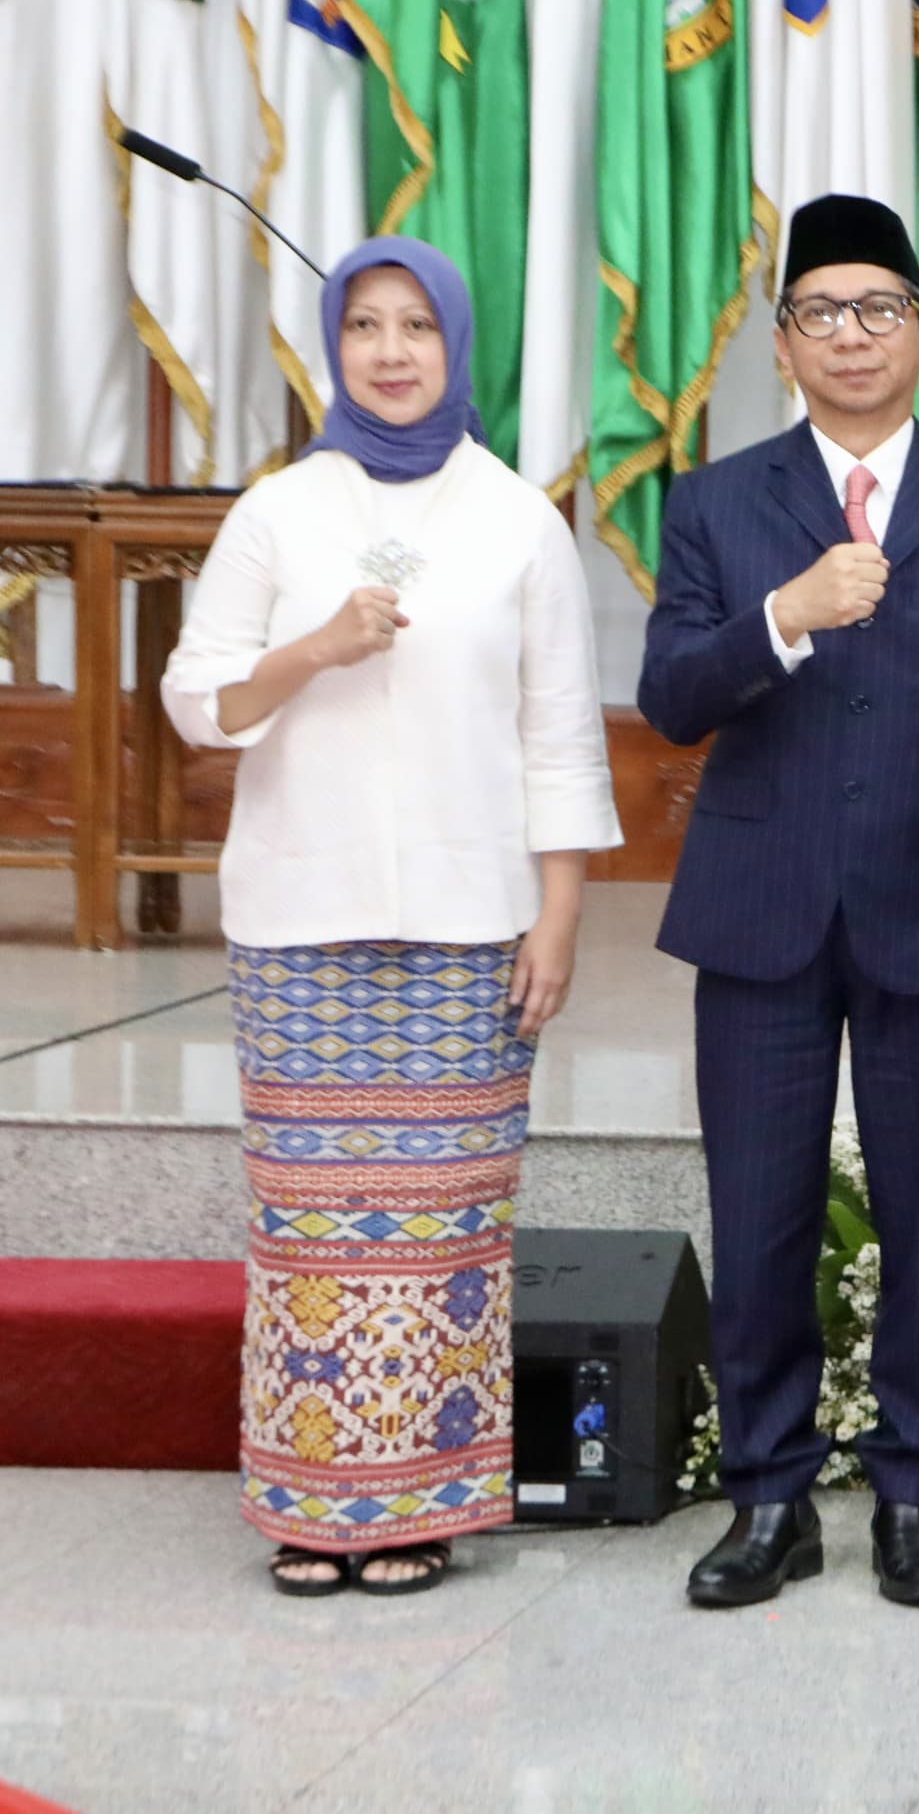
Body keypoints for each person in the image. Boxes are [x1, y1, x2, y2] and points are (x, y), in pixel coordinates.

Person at [639, 193, 919, 1611]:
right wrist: (784, 616)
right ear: (784, 346)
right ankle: (769, 1496)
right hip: (760, 916)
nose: (852, 336)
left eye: (878, 311)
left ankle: (915, 1492)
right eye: (824, 313)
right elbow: (667, 699)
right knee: (760, 1217)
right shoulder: (717, 506)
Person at [163, 238, 621, 1598]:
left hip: (474, 930)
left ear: (455, 342)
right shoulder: (278, 514)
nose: (390, 350)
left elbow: (559, 738)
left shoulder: (518, 521)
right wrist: (314, 649)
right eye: (363, 324)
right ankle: (314, 1504)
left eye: (416, 325)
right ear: (332, 343)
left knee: (443, 1226)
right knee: (312, 1227)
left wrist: (560, 915)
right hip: (300, 927)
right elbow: (199, 704)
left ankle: (418, 1503)